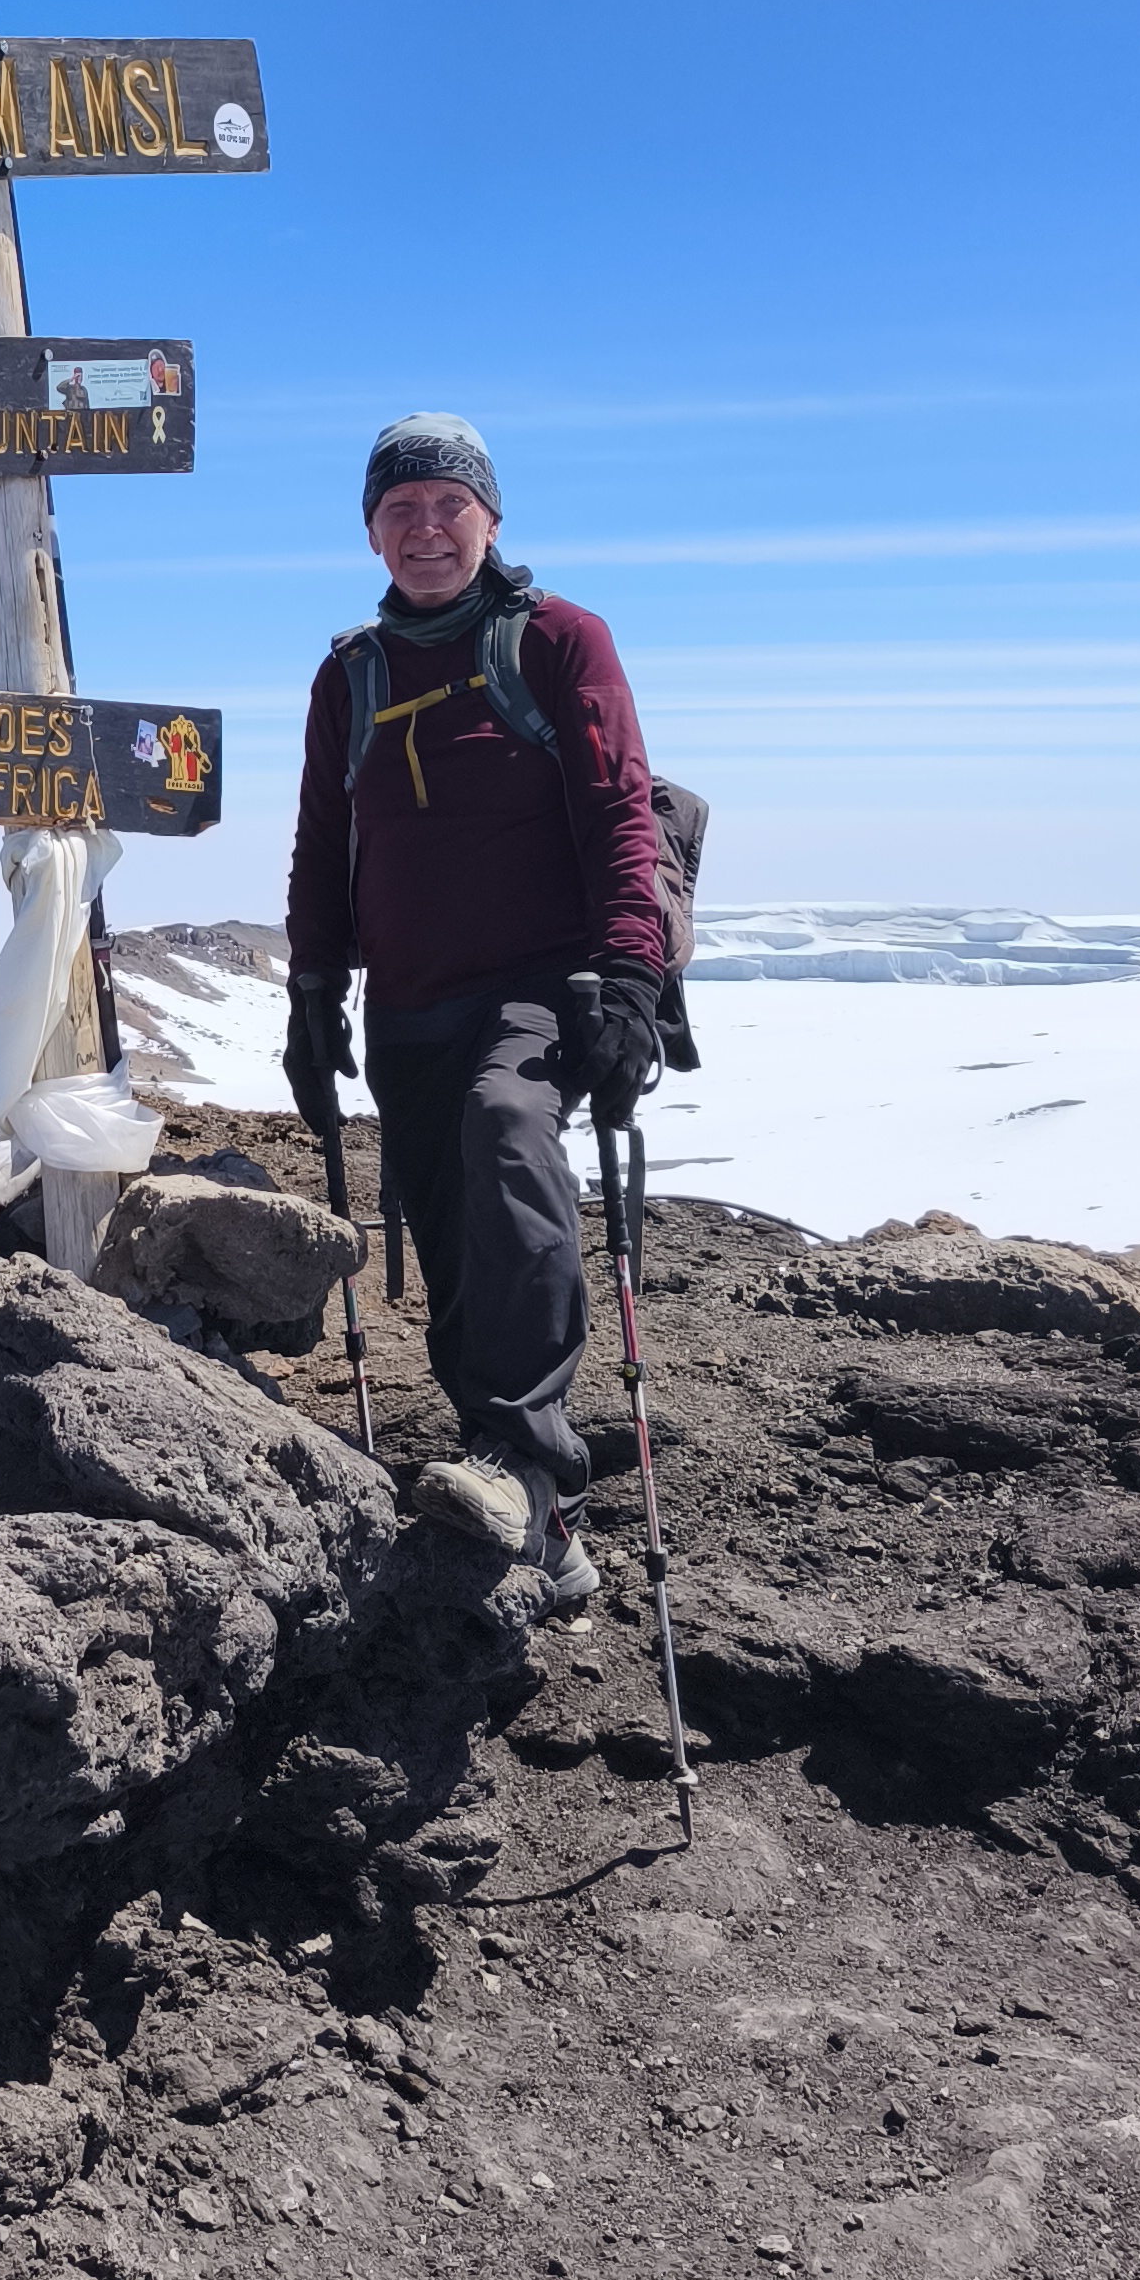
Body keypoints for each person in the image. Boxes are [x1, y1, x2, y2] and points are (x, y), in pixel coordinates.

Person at [283, 414, 662, 1603]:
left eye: (449, 505)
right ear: (371, 532)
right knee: (453, 1248)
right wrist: (311, 991)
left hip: (544, 985)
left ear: (492, 520)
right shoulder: (351, 672)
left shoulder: (557, 639)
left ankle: (535, 1465)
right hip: (406, 1000)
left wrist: (634, 976)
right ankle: (534, 1522)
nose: (426, 528)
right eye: (400, 510)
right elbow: (322, 843)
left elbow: (619, 813)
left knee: (507, 1130)